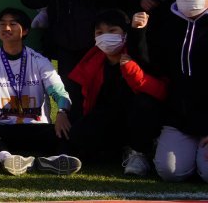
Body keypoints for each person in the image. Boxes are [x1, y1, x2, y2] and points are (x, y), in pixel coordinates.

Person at [0, 8, 81, 176]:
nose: (7, 28)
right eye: (2, 24)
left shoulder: (40, 60)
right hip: (3, 128)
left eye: (13, 24)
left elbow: (59, 92)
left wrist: (62, 112)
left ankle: (55, 160)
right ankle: (7, 159)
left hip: (36, 127)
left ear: (25, 30)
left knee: (67, 130)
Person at [68, 10, 165, 176]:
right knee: (78, 134)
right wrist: (64, 114)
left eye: (112, 31)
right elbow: (82, 100)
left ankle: (140, 151)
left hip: (140, 118)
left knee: (143, 104)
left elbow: (159, 92)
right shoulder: (92, 62)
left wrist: (132, 71)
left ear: (125, 33)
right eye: (99, 33)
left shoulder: (141, 55)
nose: (105, 37)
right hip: (110, 118)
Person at [134, 0, 208, 182]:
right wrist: (139, 33)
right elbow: (153, 65)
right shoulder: (167, 23)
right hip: (179, 116)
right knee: (170, 172)